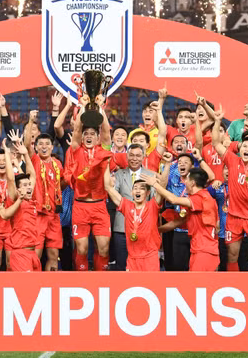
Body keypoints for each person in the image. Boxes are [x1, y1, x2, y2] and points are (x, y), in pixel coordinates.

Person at [211, 108, 248, 271]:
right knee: (232, 255)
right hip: (233, 217)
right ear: (240, 147)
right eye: (244, 146)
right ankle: (233, 286)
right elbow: (216, 143)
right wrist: (217, 122)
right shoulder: (232, 160)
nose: (247, 149)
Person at [66, 94, 113, 271]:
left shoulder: (103, 150)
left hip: (100, 206)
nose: (88, 136)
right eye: (86, 133)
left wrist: (101, 109)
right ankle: (82, 278)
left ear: (97, 137)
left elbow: (107, 131)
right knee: (82, 248)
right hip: (80, 207)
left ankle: (100, 279)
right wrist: (83, 107)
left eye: (93, 133)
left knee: (103, 248)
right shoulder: (76, 150)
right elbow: (77, 130)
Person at [146, 167, 220, 271]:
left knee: (200, 284)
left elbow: (173, 199)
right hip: (200, 248)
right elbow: (178, 221)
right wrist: (157, 230)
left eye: (187, 179)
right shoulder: (200, 200)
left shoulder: (200, 198)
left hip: (204, 250)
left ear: (192, 183)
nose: (184, 182)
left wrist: (155, 185)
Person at [109, 143, 157, 270]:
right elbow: (114, 195)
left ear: (143, 157)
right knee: (121, 264)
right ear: (127, 156)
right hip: (122, 225)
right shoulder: (119, 174)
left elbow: (155, 200)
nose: (134, 158)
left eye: (138, 156)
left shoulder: (151, 175)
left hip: (145, 228)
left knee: (143, 266)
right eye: (131, 155)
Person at [105, 168, 162, 271]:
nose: (138, 190)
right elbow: (108, 188)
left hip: (150, 258)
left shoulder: (152, 205)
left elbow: (163, 185)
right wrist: (105, 164)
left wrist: (167, 164)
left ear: (148, 193)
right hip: (132, 260)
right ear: (131, 192)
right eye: (135, 188)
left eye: (142, 188)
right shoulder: (127, 206)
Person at [24, 129, 64, 271]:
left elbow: (62, 183)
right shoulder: (34, 160)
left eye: (47, 144)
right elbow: (26, 144)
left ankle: (50, 284)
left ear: (52, 147)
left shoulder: (58, 164)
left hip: (54, 216)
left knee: (54, 254)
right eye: (40, 144)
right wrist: (29, 121)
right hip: (38, 215)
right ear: (36, 147)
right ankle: (33, 285)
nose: (44, 146)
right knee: (35, 254)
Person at [3, 140, 42, 272]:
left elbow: (33, 175)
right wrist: (7, 156)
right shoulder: (15, 199)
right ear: (18, 190)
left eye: (29, 185)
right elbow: (10, 179)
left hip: (33, 253)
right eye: (24, 186)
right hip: (20, 254)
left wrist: (26, 155)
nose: (29, 187)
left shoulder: (31, 200)